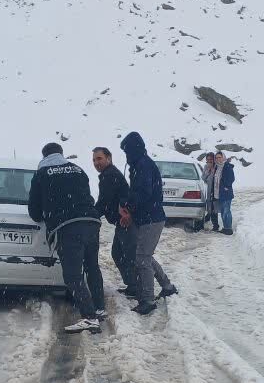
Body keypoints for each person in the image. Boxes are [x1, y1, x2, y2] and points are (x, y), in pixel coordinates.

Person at [28, 142, 105, 334]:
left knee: (72, 275)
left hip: (68, 227)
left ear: (44, 156)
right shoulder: (78, 170)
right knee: (92, 266)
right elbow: (86, 195)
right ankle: (99, 308)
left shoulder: (42, 174)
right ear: (61, 154)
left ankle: (89, 318)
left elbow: (35, 212)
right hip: (91, 221)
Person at [119, 132, 177, 315]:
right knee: (146, 255)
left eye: (127, 151)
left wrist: (128, 205)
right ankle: (167, 286)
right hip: (149, 217)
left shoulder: (143, 166)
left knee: (142, 258)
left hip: (151, 218)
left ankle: (148, 299)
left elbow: (143, 192)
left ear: (134, 149)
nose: (126, 156)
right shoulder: (140, 164)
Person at [92, 147, 136, 291]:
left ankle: (138, 287)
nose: (96, 162)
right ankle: (133, 285)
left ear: (108, 158)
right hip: (121, 222)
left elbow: (104, 201)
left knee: (129, 256)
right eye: (94, 160)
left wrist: (91, 215)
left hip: (126, 221)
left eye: (99, 158)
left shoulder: (109, 175)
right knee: (118, 253)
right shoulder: (107, 174)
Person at [214, 150, 237, 235]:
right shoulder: (217, 167)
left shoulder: (227, 166)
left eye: (219, 157)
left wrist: (226, 186)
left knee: (226, 210)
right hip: (220, 193)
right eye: (216, 158)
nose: (218, 159)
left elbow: (231, 178)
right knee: (223, 211)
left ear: (223, 157)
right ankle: (225, 228)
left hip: (226, 192)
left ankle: (228, 229)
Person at [199, 152, 220, 232]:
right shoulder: (206, 167)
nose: (209, 161)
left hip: (215, 190)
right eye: (207, 160)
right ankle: (207, 222)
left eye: (211, 159)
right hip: (209, 190)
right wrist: (208, 170)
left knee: (214, 209)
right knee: (209, 208)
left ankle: (215, 226)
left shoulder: (217, 167)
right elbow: (203, 178)